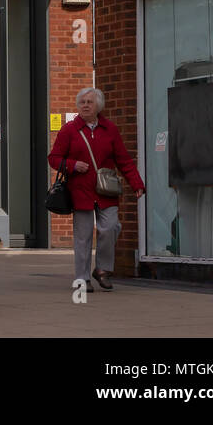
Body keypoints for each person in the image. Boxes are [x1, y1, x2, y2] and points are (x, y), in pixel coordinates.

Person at [48, 87, 145, 292]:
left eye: (89, 102)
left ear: (98, 106)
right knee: (82, 237)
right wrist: (73, 165)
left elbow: (124, 160)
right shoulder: (69, 130)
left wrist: (136, 183)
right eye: (82, 102)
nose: (85, 105)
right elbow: (54, 158)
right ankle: (82, 278)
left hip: (106, 190)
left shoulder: (110, 129)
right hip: (80, 191)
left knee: (110, 228)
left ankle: (102, 269)